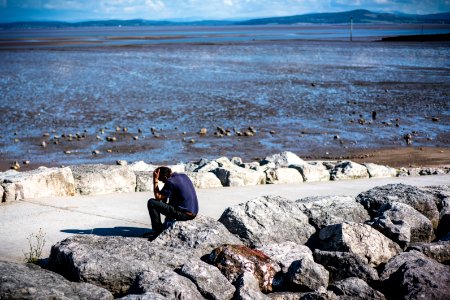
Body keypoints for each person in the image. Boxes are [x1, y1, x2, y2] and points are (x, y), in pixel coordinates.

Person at [144, 166, 199, 240]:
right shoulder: (183, 176)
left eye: (161, 180)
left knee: (152, 203)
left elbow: (158, 197)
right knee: (169, 200)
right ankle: (164, 226)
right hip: (193, 211)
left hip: (185, 214)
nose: (162, 182)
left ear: (165, 177)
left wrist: (155, 180)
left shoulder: (170, 182)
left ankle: (157, 231)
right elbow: (165, 198)